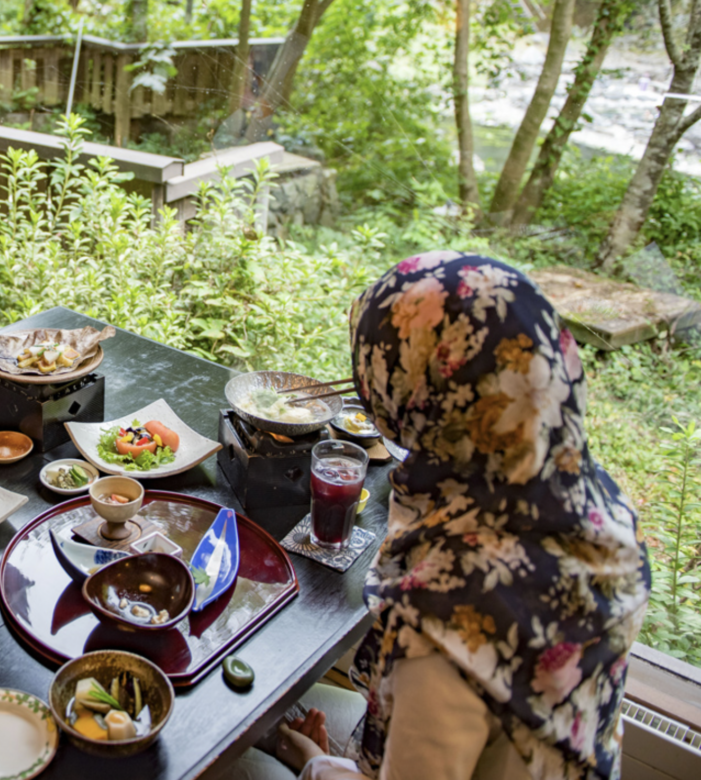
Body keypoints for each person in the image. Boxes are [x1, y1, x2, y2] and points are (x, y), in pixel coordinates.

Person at [227, 252, 651, 780]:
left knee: (232, 758)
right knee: (285, 711)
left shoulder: (447, 608)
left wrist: (313, 763)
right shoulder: (595, 505)